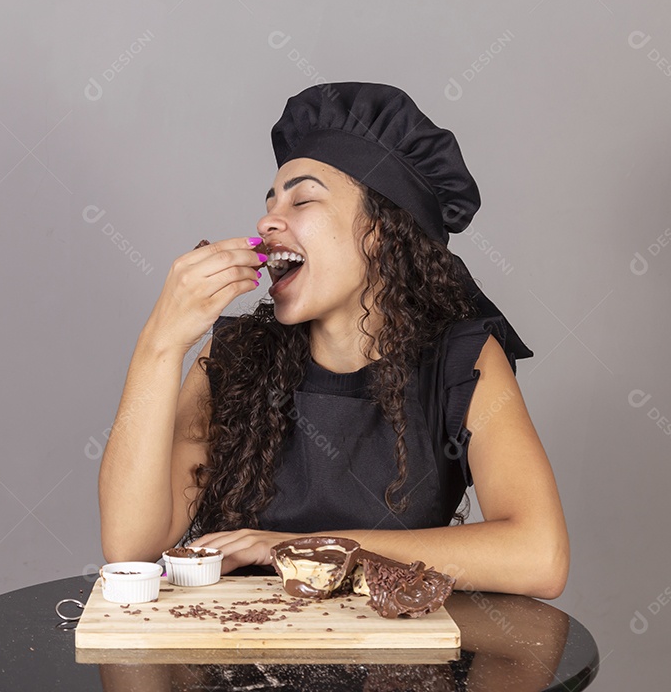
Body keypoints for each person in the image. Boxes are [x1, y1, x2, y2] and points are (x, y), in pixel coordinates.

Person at [99, 82, 569, 599]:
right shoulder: (235, 356)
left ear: (382, 232)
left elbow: (539, 556)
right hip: (244, 658)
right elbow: (130, 546)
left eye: (303, 198)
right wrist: (160, 343)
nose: (267, 220)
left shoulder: (461, 361)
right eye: (271, 200)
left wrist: (302, 546)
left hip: (399, 668)